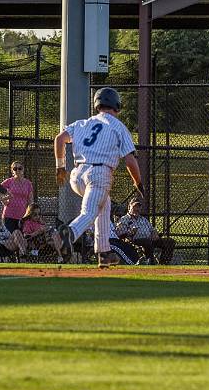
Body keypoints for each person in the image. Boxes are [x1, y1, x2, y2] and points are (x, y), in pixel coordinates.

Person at [54, 87, 144, 268]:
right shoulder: (118, 126)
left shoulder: (82, 123)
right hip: (99, 174)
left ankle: (104, 253)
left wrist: (60, 167)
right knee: (89, 212)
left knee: (104, 204)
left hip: (77, 175)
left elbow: (59, 139)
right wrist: (138, 183)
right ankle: (69, 234)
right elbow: (130, 160)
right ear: (116, 105)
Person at [116, 197, 176, 265]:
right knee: (147, 242)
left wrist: (154, 233)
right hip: (135, 241)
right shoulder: (124, 219)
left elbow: (152, 229)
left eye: (139, 207)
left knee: (170, 242)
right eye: (135, 207)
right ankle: (150, 262)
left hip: (150, 239)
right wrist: (130, 233)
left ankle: (163, 264)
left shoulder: (143, 219)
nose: (137, 209)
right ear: (129, 207)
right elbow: (119, 233)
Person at [1, 161, 33, 232]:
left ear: (23, 169)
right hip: (9, 214)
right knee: (10, 236)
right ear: (12, 170)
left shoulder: (28, 183)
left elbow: (30, 200)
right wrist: (4, 200)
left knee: (21, 236)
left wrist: (30, 213)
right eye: (15, 169)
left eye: (20, 168)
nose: (17, 170)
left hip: (23, 214)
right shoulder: (9, 181)